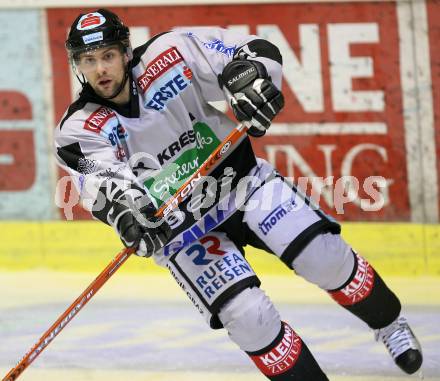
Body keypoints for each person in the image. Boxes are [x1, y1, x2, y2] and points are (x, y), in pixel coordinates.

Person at [54, 8, 423, 380]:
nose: (100, 69)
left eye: (108, 56)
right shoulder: (78, 130)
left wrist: (250, 79)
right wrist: (129, 214)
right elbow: (100, 183)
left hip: (243, 184)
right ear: (77, 66)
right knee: (249, 318)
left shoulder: (172, 51)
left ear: (126, 53)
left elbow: (250, 51)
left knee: (323, 256)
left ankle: (390, 324)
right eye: (89, 60)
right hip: (183, 231)